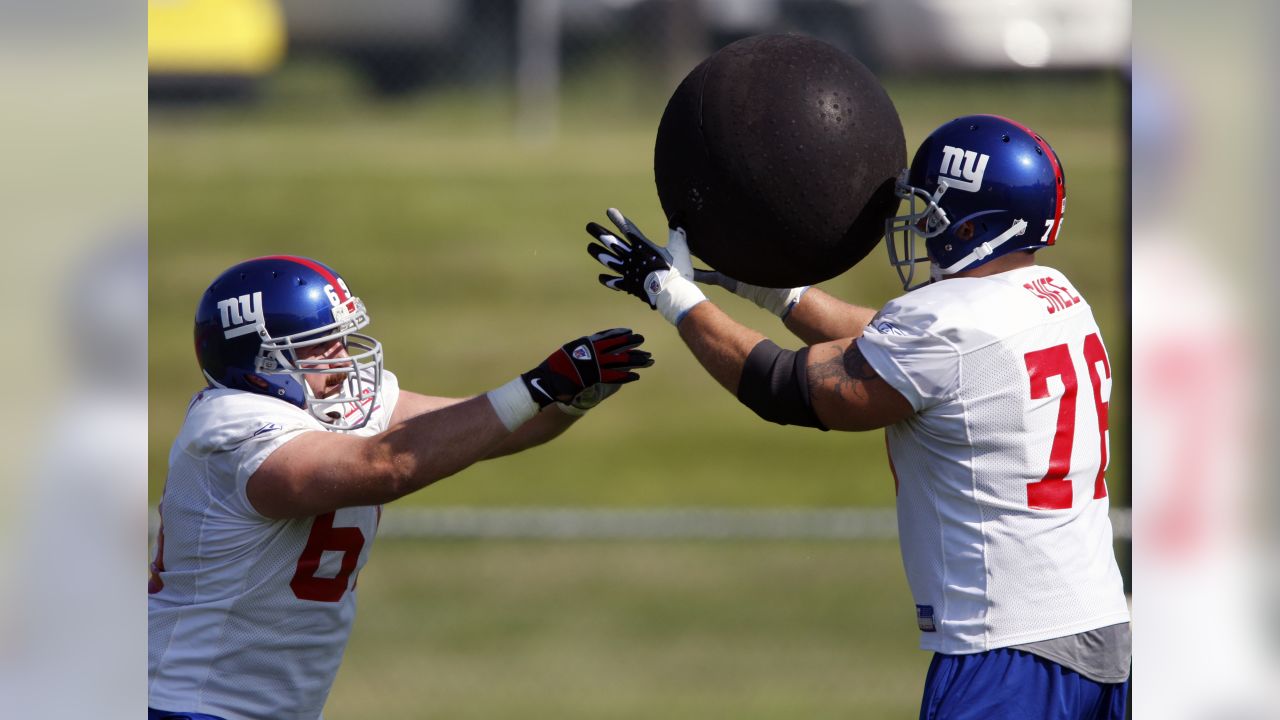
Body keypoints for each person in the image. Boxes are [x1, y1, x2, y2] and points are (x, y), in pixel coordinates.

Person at [586, 115, 1130, 719]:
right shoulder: (1056, 297)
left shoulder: (945, 326)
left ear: (975, 220)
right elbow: (894, 345)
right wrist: (771, 291)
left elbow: (787, 388)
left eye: (931, 210)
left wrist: (672, 295)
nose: (921, 225)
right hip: (1104, 634)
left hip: (1007, 653)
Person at [148, 254, 653, 720]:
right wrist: (536, 386)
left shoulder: (335, 402)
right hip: (185, 702)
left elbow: (483, 431)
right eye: (319, 346)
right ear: (260, 363)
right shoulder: (229, 430)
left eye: (341, 339)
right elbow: (385, 466)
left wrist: (570, 398)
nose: (343, 362)